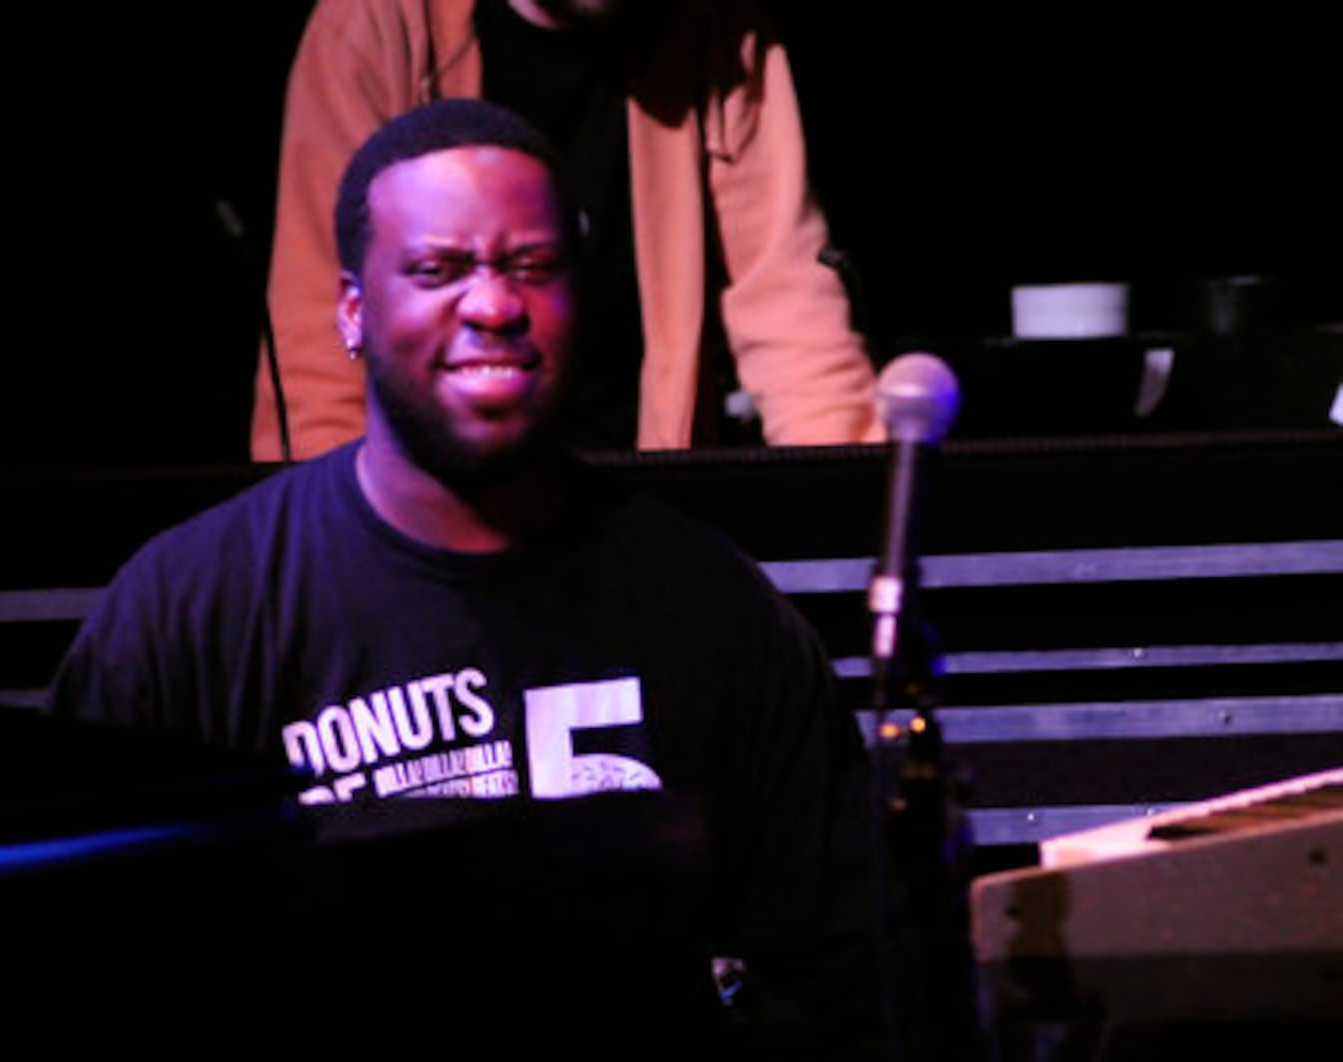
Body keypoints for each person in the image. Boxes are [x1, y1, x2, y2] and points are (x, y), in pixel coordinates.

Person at [53, 98, 879, 1046]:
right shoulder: (188, 611)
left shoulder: (715, 611)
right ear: (354, 312)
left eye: (532, 266)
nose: (493, 305)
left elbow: (837, 978)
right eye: (438, 270)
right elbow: (87, 967)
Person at [251, 0, 886, 462]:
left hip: (637, 519)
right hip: (437, 526)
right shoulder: (375, 25)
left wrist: (858, 531)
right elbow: (320, 360)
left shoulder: (716, 32)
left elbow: (795, 326)